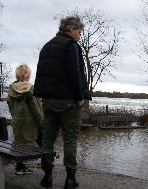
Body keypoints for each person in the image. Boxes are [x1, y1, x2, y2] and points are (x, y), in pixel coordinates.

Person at [33, 15, 91, 189]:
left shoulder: (47, 46)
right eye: (79, 32)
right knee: (70, 140)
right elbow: (75, 72)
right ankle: (70, 179)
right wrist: (80, 97)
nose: (79, 36)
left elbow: (41, 74)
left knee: (48, 139)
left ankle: (47, 177)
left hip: (48, 102)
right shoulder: (71, 46)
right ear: (72, 29)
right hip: (68, 102)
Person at [7, 64, 43, 175]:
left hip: (17, 121)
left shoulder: (11, 88)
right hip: (30, 124)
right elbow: (36, 109)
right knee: (43, 135)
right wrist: (42, 123)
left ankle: (20, 167)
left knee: (19, 143)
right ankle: (45, 159)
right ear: (27, 75)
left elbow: (10, 105)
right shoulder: (30, 88)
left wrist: (15, 116)